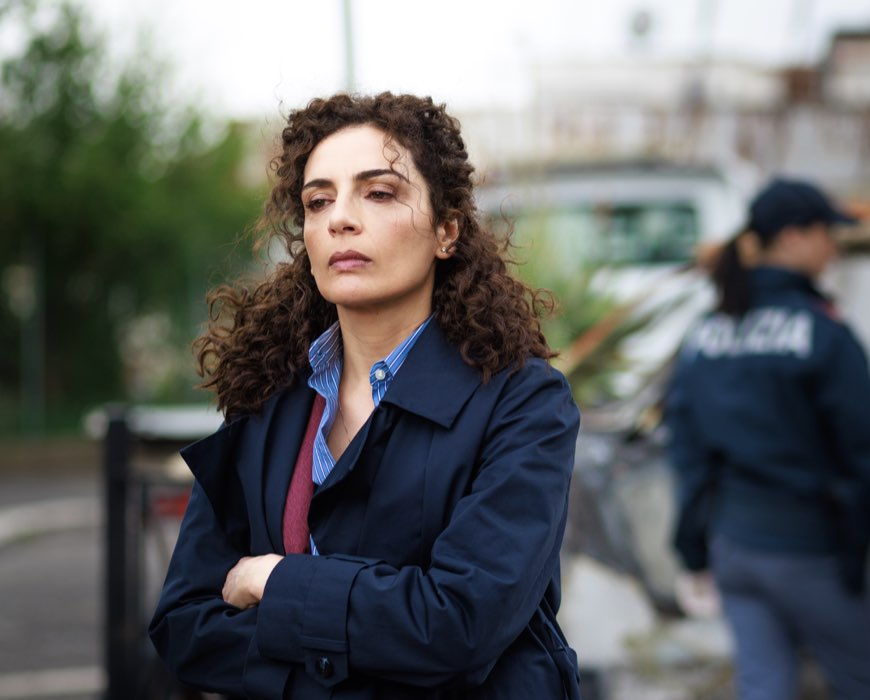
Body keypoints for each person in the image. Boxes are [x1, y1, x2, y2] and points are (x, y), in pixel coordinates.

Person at [148, 92, 582, 699]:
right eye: (318, 200)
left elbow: (459, 624)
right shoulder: (268, 396)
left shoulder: (524, 403)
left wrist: (280, 582)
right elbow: (187, 624)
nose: (339, 219)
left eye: (378, 192)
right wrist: (360, 655)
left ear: (447, 231)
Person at [664, 177, 870, 700]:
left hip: (736, 551)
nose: (834, 247)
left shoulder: (706, 333)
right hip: (810, 551)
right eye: (826, 233)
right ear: (792, 237)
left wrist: (692, 554)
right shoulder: (823, 332)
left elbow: (689, 458)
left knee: (764, 689)